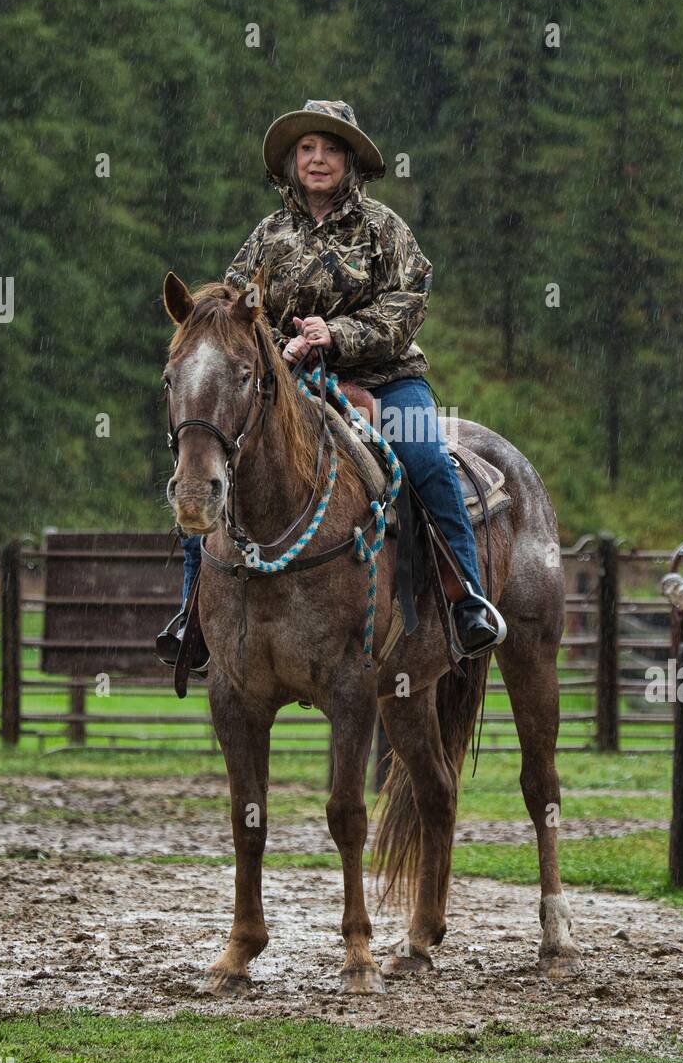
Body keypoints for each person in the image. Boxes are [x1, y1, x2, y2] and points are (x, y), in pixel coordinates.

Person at [157, 98, 504, 672]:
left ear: (350, 161)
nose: (318, 159)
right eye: (307, 149)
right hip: (290, 383)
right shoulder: (266, 237)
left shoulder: (385, 228)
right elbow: (235, 318)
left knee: (426, 459)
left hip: (387, 378)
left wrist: (336, 333)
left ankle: (464, 599)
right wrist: (278, 345)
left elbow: (408, 303)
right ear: (292, 161)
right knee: (213, 462)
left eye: (331, 149)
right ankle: (193, 615)